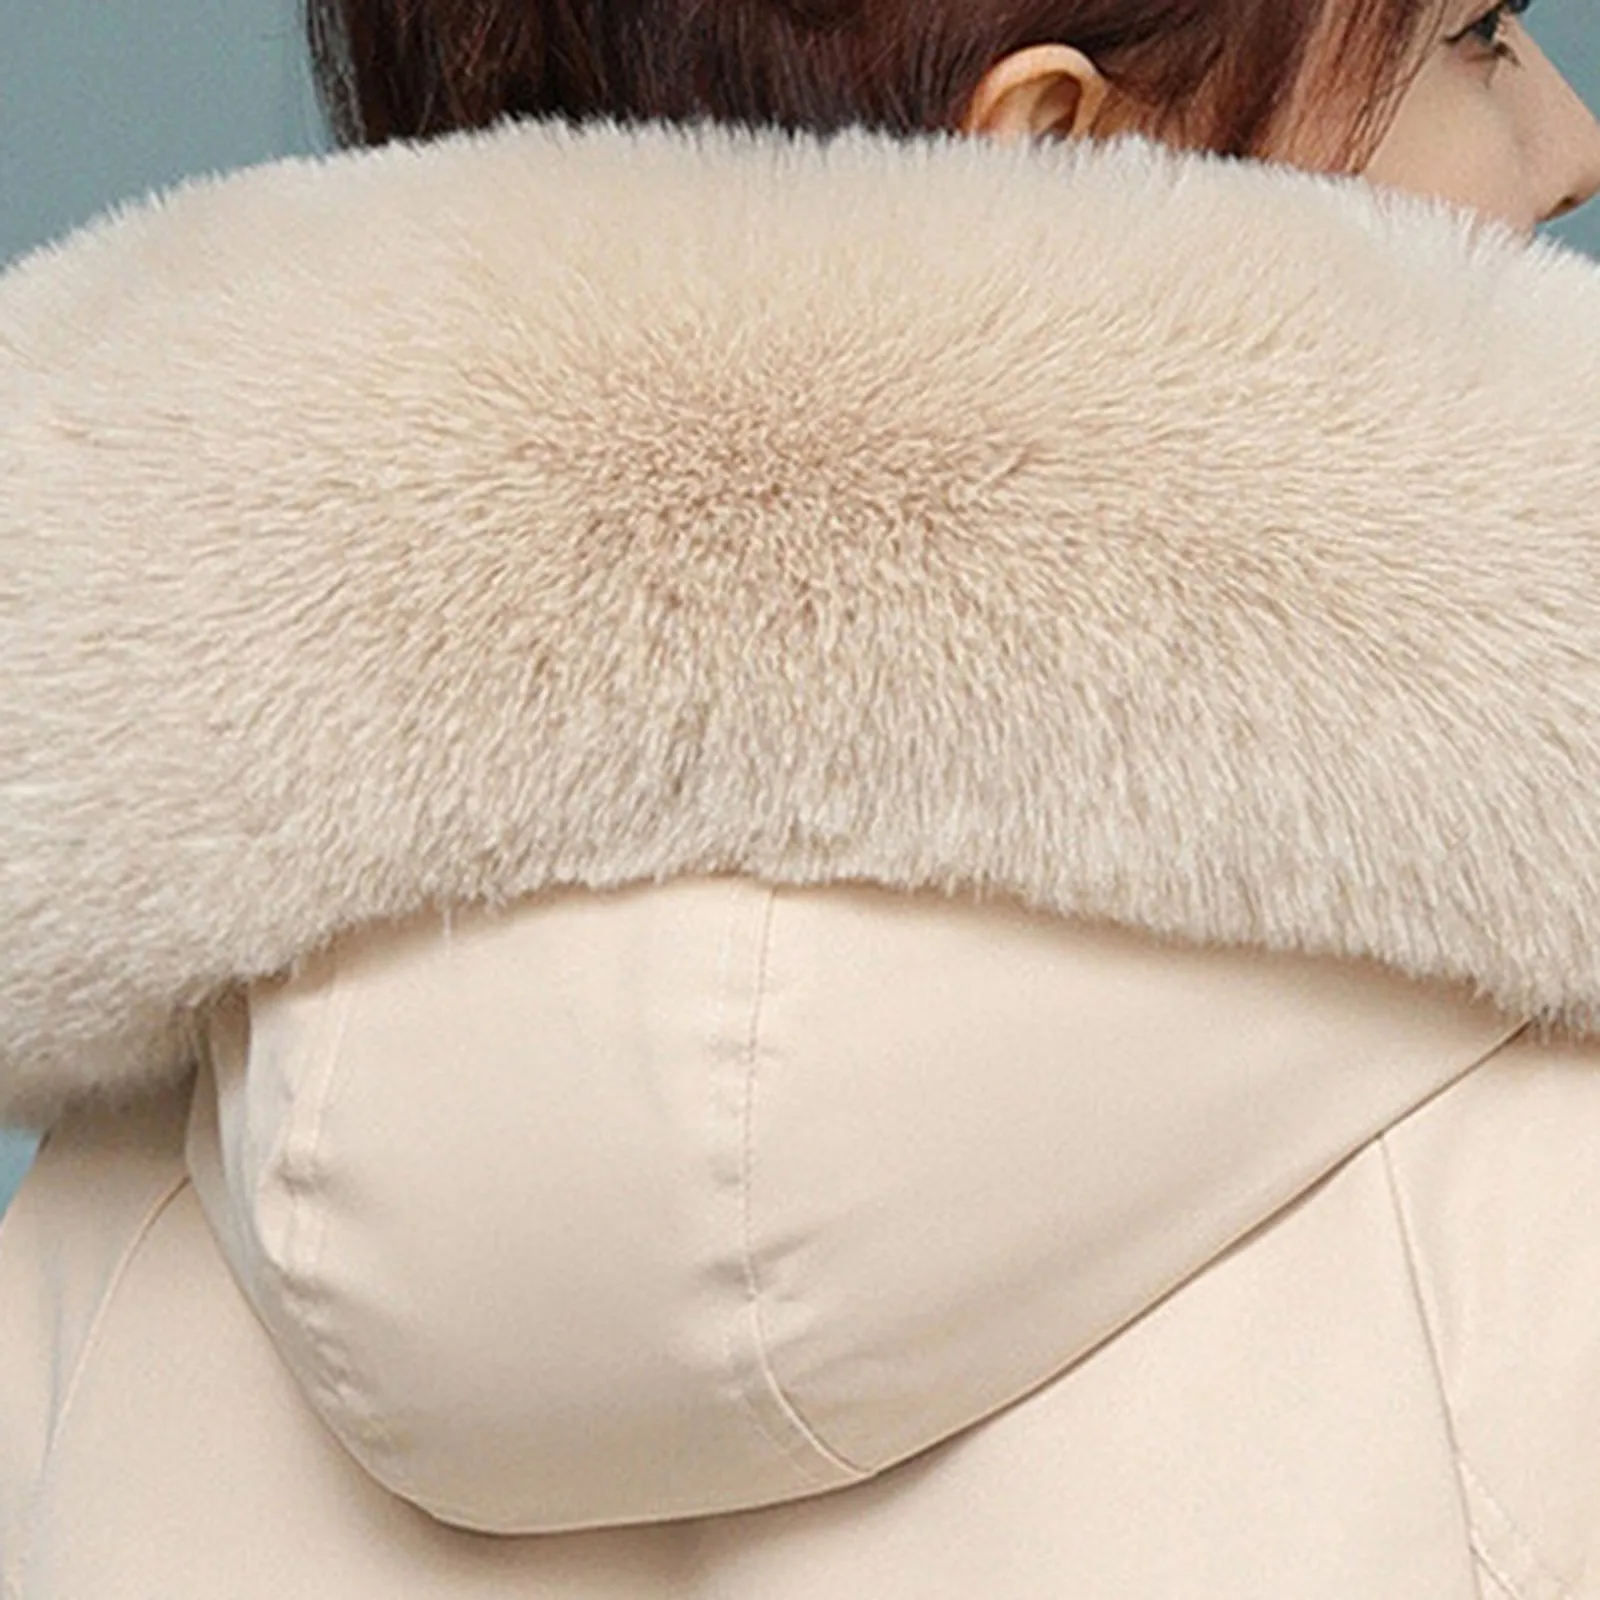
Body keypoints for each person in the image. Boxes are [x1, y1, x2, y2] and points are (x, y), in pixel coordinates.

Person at [2, 0, 1599, 1594]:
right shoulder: (1542, 1213)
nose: (1570, 141)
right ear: (1057, 156)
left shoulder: (108, 1239)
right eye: (1470, 34)